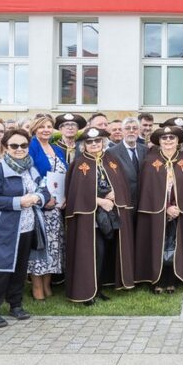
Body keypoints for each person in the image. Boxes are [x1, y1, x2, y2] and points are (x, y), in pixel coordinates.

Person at [0, 129, 49, 328]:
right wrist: (20, 201)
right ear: (6, 147)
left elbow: (45, 190)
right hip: (4, 228)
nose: (19, 149)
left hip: (27, 227)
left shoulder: (30, 169)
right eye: (14, 145)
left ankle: (15, 305)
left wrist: (39, 198)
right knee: (1, 270)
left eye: (23, 145)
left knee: (19, 269)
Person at [64, 127, 136, 303]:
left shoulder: (110, 159)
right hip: (89, 218)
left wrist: (115, 194)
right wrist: (100, 201)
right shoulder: (80, 163)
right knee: (91, 252)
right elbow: (77, 193)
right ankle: (87, 291)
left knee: (104, 252)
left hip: (109, 215)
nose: (94, 144)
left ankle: (99, 287)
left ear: (103, 143)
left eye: (97, 141)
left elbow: (121, 184)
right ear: (84, 145)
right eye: (90, 142)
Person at [134, 125, 183, 292]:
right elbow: (147, 190)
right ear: (159, 142)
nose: (168, 141)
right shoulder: (151, 161)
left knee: (174, 245)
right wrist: (166, 208)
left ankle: (172, 280)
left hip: (180, 212)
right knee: (159, 245)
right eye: (164, 138)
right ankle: (157, 280)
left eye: (172, 138)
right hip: (157, 212)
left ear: (178, 140)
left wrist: (179, 206)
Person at [26, 114, 66, 300]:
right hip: (40, 206)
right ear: (35, 128)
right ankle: (37, 287)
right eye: (42, 127)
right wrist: (44, 198)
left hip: (57, 207)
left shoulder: (58, 149)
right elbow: (30, 175)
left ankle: (48, 284)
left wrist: (64, 197)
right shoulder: (31, 147)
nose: (46, 130)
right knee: (39, 246)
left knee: (53, 245)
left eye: (49, 126)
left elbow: (64, 177)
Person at [107, 117, 148, 203]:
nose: (131, 131)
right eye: (127, 128)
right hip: (124, 200)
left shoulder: (145, 150)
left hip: (143, 200)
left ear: (139, 131)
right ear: (122, 131)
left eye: (135, 128)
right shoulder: (111, 152)